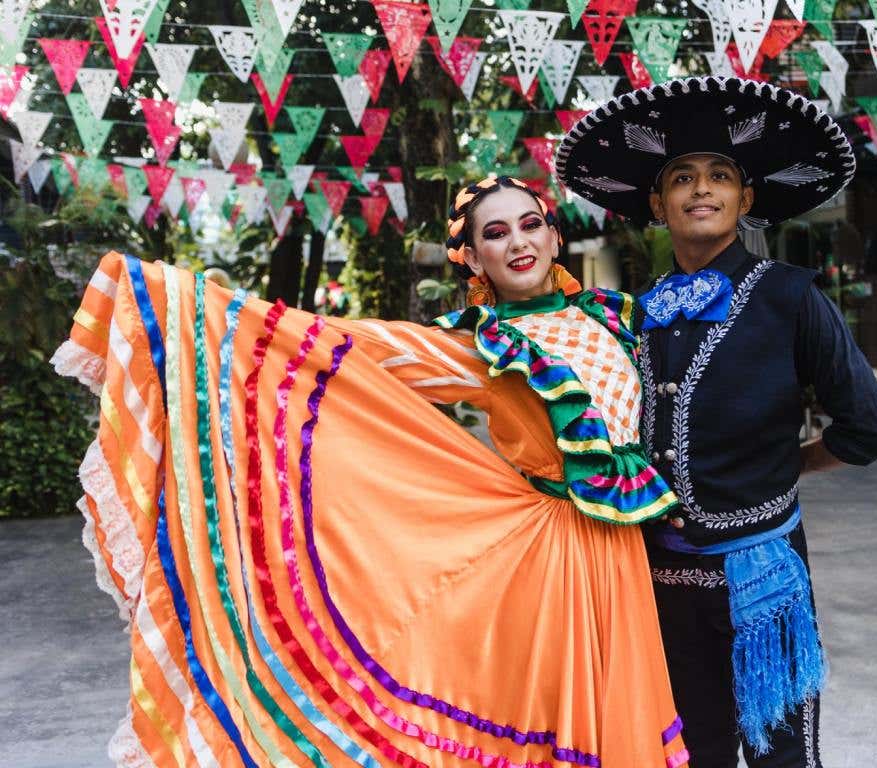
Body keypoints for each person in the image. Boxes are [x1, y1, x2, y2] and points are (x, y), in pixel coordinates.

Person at [51, 176, 690, 767]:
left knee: (622, 716)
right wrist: (206, 310)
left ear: (555, 235)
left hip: (626, 554)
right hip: (553, 563)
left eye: (530, 225)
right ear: (469, 257)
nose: (518, 242)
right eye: (494, 234)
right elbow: (357, 350)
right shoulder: (481, 347)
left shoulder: (615, 316)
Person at [556, 76, 877, 767]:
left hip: (763, 573)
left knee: (782, 759)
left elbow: (870, 426)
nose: (701, 188)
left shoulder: (791, 296)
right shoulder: (634, 314)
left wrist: (793, 464)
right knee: (689, 755)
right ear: (657, 204)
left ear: (746, 199)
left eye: (720, 175)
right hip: (658, 580)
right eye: (681, 177)